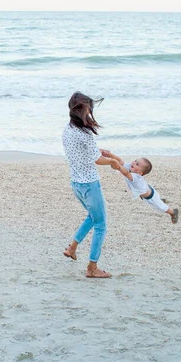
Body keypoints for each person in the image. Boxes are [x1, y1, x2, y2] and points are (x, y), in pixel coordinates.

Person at [62, 91, 120, 278]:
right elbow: (96, 160)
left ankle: (72, 248)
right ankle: (92, 268)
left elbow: (81, 152)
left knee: (92, 217)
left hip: (76, 184)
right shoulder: (85, 133)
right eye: (88, 110)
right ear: (82, 111)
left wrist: (98, 151)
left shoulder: (68, 129)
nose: (90, 113)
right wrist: (113, 162)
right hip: (89, 185)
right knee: (101, 224)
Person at [103, 151, 179, 224]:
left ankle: (173, 212)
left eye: (137, 164)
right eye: (135, 161)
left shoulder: (136, 177)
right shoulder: (131, 167)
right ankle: (160, 200)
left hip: (150, 196)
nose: (133, 163)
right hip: (147, 189)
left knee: (161, 207)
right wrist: (110, 155)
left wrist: (118, 166)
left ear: (139, 173)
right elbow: (120, 160)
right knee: (157, 200)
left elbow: (126, 173)